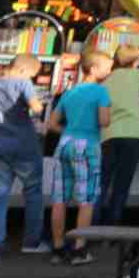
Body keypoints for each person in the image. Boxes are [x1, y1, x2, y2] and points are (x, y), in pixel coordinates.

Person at [0, 53, 51, 259]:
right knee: (33, 192)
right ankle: (32, 242)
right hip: (25, 147)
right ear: (22, 70)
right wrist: (38, 112)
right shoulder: (22, 83)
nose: (31, 79)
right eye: (31, 75)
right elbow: (36, 108)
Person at [46, 53, 112, 263]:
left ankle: (57, 249)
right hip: (88, 145)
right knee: (86, 200)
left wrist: (70, 131)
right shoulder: (101, 92)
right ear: (93, 69)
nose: (109, 71)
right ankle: (79, 249)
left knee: (59, 199)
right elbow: (104, 121)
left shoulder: (70, 92)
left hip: (65, 144)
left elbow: (52, 124)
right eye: (107, 67)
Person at [94, 44, 139, 226]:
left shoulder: (105, 78)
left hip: (109, 135)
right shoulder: (136, 74)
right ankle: (112, 227)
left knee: (102, 183)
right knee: (122, 184)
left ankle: (93, 225)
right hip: (134, 134)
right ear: (136, 61)